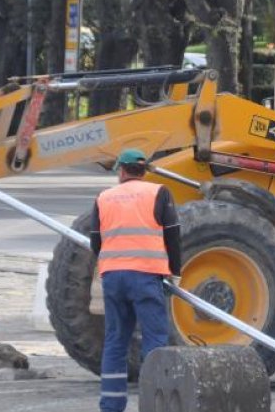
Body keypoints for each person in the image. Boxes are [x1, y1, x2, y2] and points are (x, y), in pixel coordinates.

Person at [89, 148, 182, 412]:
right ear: (143, 170)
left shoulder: (104, 197)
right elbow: (173, 236)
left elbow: (96, 241)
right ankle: (153, 404)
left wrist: (111, 265)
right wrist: (175, 271)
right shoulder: (159, 192)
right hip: (146, 275)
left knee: (116, 340)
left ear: (121, 170)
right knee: (154, 340)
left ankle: (111, 405)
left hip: (113, 277)